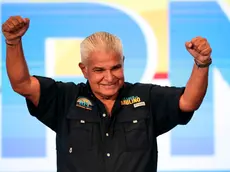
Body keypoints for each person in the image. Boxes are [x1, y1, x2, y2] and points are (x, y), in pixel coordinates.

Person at [2, 16, 212, 172]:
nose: (109, 77)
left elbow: (189, 101)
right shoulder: (65, 98)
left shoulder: (146, 97)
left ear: (123, 63)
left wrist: (201, 64)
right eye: (99, 70)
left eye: (115, 68)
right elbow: (22, 84)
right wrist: (13, 42)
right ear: (84, 69)